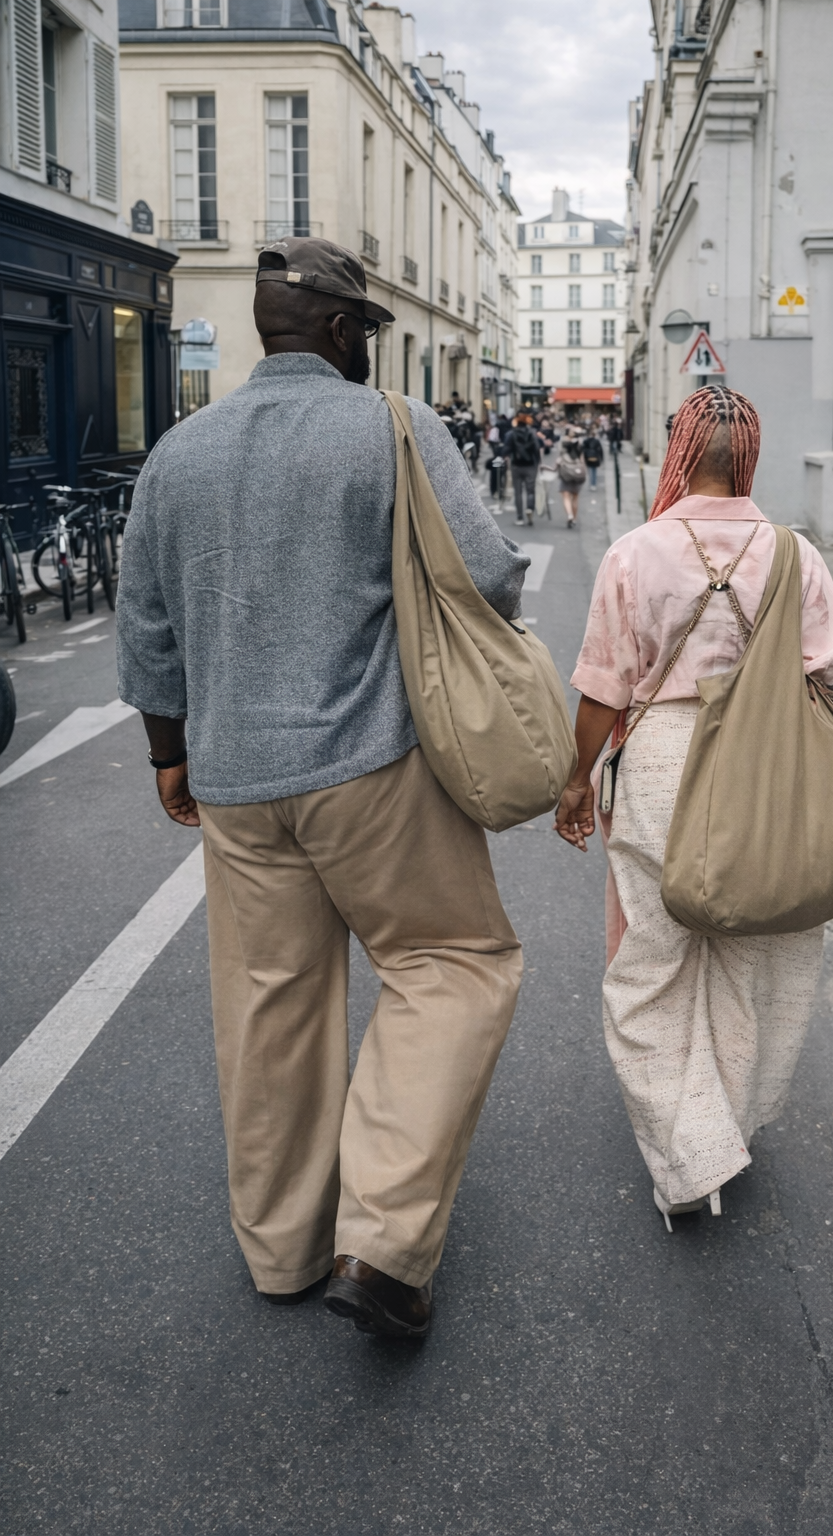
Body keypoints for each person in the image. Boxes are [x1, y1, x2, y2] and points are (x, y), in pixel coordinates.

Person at [116, 237, 528, 1339]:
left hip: (236, 780)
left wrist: (171, 753)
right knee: (450, 963)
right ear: (345, 333)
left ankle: (282, 1252)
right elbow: (487, 571)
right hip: (372, 764)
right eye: (366, 337)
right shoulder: (394, 428)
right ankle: (382, 1243)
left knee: (268, 1008)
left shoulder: (177, 453)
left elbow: (147, 628)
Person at [553, 385, 833, 1228]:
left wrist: (577, 783)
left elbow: (603, 688)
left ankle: (690, 1155)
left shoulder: (635, 552)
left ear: (680, 449)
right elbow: (821, 672)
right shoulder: (796, 554)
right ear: (748, 457)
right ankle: (730, 1124)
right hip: (767, 772)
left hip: (659, 767)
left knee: (651, 965)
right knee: (750, 959)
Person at [508, 413, 542, 527]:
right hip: (530, 465)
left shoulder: (512, 434)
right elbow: (536, 449)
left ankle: (519, 517)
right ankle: (530, 509)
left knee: (517, 492)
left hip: (516, 465)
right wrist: (538, 463)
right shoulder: (532, 434)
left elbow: (506, 449)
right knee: (530, 490)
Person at [555, 432, 586, 528]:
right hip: (577, 473)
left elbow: (559, 460)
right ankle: (574, 519)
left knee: (566, 496)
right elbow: (582, 460)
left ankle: (569, 515)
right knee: (575, 497)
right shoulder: (579, 447)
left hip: (566, 473)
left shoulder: (564, 446)